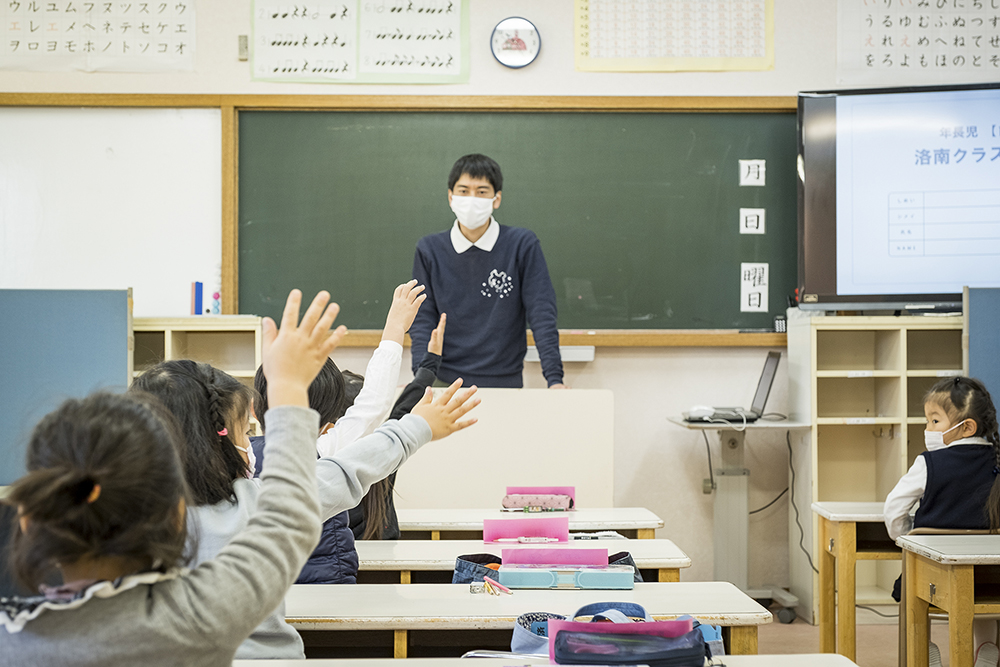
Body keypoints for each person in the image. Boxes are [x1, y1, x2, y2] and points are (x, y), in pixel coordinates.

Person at [0, 289, 474, 664]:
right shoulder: (205, 614)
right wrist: (293, 386)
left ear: (29, 518)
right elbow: (317, 488)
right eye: (246, 428)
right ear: (173, 520)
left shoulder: (14, 641)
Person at [130, 294, 478, 659]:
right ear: (213, 442)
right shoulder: (263, 505)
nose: (248, 442)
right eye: (240, 433)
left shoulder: (119, 529)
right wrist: (418, 426)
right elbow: (349, 468)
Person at [249, 280, 425, 583]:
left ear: (254, 409)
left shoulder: (238, 457)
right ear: (330, 423)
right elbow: (375, 403)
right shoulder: (325, 450)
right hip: (328, 586)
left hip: (264, 593)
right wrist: (394, 328)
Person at [410, 153, 566, 389]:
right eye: (463, 190)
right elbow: (422, 319)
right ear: (451, 197)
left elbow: (541, 312)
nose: (472, 198)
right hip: (442, 381)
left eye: (482, 191)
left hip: (505, 380)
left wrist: (554, 380)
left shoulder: (522, 244)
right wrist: (420, 379)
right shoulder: (429, 249)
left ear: (497, 198)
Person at [884, 375, 1000, 667]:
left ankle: (924, 646)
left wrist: (911, 538)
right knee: (982, 606)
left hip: (933, 573)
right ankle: (986, 647)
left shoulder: (929, 463)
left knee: (914, 592)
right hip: (991, 575)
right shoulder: (997, 462)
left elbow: (894, 510)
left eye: (934, 422)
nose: (928, 429)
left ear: (967, 427)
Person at [349, 312, 447, 540]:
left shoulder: (324, 457)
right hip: (387, 548)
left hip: (343, 565)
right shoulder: (383, 452)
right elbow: (405, 406)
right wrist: (432, 358)